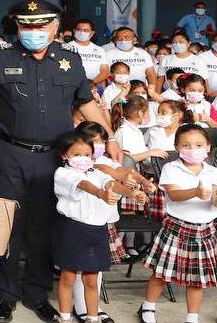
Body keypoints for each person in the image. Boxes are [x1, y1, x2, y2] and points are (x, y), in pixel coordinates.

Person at [0, 0, 123, 323]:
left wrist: (110, 137)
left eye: (41, 25)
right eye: (27, 25)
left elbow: (87, 104)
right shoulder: (0, 59)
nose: (34, 31)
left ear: (54, 27)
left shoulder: (70, 61)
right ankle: (6, 294)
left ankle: (37, 294)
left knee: (43, 229)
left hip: (55, 158)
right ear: (17, 27)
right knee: (7, 227)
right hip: (8, 155)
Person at [51, 131, 145, 323]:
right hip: (73, 230)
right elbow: (83, 184)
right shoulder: (63, 173)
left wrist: (132, 193)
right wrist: (100, 193)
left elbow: (112, 184)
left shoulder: (97, 172)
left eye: (87, 154)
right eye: (76, 154)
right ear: (64, 155)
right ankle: (65, 317)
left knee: (91, 279)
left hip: (97, 231)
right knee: (68, 277)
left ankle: (92, 317)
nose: (83, 158)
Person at [140, 124, 217, 323]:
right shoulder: (171, 168)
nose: (193, 149)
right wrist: (195, 192)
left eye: (198, 145)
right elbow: (174, 195)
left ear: (208, 147)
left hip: (204, 231)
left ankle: (192, 317)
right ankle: (148, 307)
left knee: (197, 281)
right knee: (161, 273)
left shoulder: (215, 172)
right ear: (177, 147)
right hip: (176, 229)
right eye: (186, 145)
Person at [66, 19, 110, 88]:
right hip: (73, 86)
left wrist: (92, 83)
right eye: (79, 29)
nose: (82, 32)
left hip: (94, 86)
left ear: (92, 33)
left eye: (85, 30)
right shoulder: (66, 48)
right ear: (74, 31)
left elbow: (105, 71)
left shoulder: (100, 50)